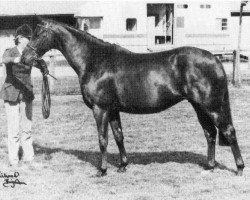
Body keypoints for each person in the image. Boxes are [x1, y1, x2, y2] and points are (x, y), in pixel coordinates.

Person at [0, 24, 47, 168]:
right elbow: (4, 59)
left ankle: (29, 157)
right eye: (28, 38)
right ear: (20, 38)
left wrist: (43, 67)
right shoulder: (10, 51)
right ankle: (13, 159)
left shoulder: (30, 53)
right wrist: (16, 60)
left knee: (27, 128)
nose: (30, 41)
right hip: (11, 93)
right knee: (13, 129)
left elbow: (39, 63)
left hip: (26, 94)